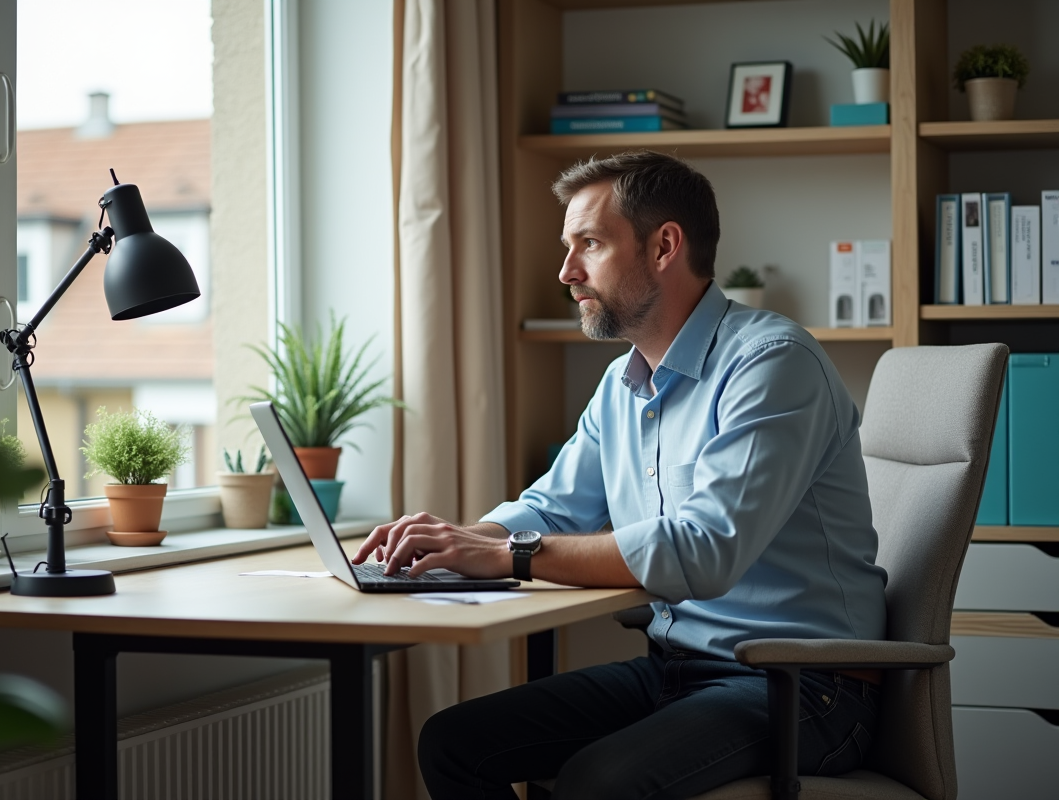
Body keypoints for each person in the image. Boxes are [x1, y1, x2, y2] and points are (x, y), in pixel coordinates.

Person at [353, 150, 888, 800]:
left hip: (802, 686)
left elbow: (705, 551)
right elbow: (554, 508)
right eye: (567, 247)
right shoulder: (622, 382)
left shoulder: (772, 364)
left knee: (594, 784)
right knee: (452, 744)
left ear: (664, 246)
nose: (565, 272)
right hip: (676, 668)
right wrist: (456, 545)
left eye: (590, 245)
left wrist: (504, 555)